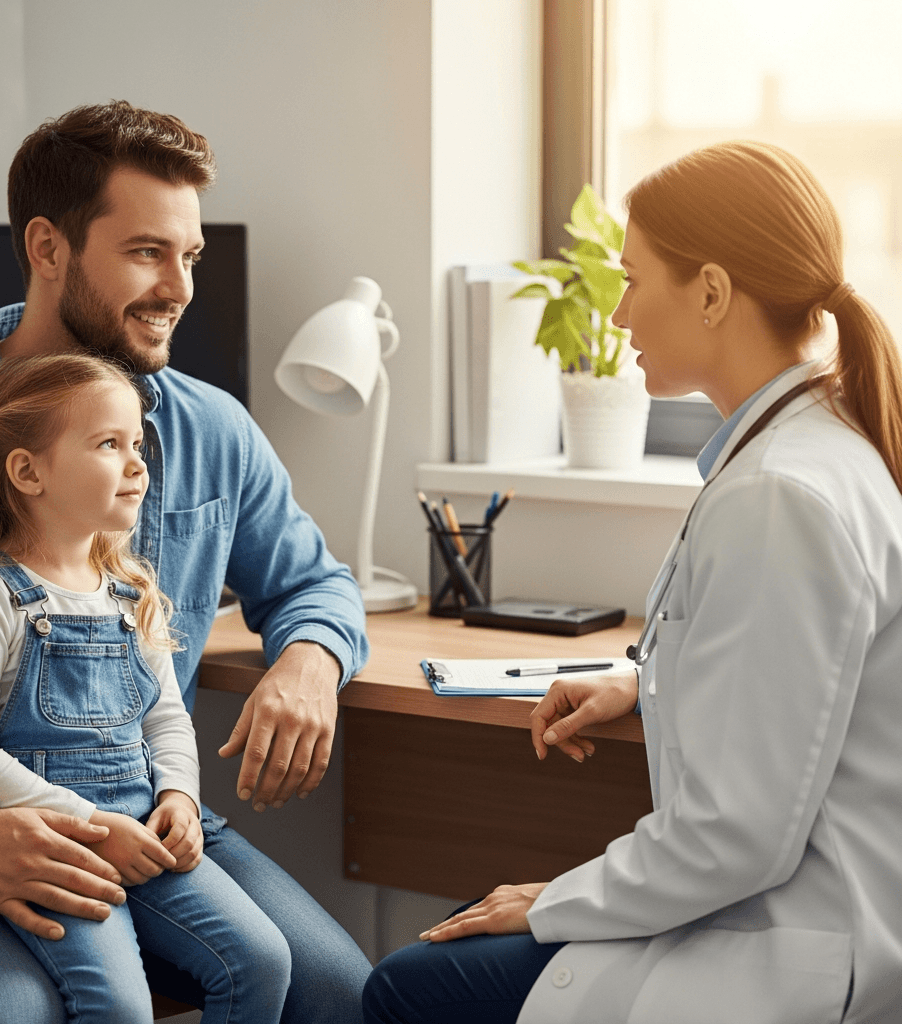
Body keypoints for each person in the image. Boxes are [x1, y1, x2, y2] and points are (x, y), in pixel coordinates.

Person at [363, 141, 902, 1023]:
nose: (617, 314)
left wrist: (554, 899)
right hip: (808, 910)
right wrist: (648, 681)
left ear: (714, 292)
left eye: (634, 280)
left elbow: (737, 837)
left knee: (407, 991)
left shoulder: (778, 493)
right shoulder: (817, 449)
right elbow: (805, 683)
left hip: (795, 945)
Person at [0, 101, 371, 1024]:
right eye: (147, 252)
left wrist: (310, 659)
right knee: (17, 1011)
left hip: (148, 810)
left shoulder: (215, 431)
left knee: (338, 992)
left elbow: (316, 584)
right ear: (48, 248)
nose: (179, 287)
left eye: (189, 256)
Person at [0, 352, 293, 1023]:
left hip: (146, 826)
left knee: (262, 961)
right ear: (28, 471)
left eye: (137, 443)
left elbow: (166, 719)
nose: (138, 463)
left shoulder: (133, 591)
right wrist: (88, 825)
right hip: (57, 843)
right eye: (109, 444)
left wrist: (180, 797)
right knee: (117, 1006)